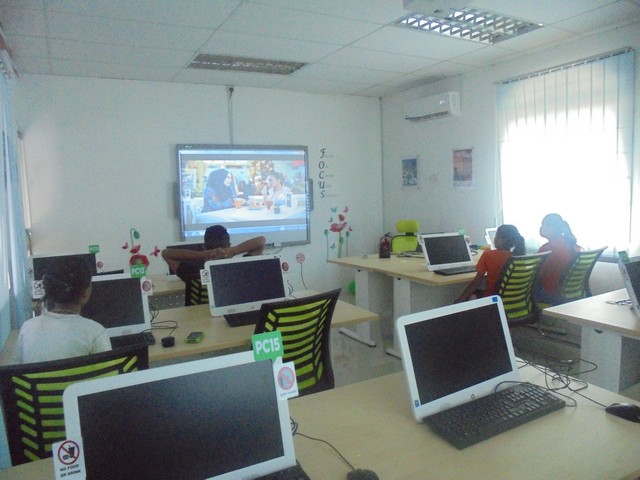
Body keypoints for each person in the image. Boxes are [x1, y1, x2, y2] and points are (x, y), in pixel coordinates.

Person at [15, 257, 112, 363]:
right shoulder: (96, 333)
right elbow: (109, 371)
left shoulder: (27, 328)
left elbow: (19, 368)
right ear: (86, 292)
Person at [161, 225, 266, 305]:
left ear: (204, 247)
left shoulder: (194, 273)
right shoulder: (243, 269)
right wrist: (233, 251)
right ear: (229, 245)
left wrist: (201, 254)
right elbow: (261, 241)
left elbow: (166, 253)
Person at [455, 224, 525, 303]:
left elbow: (476, 282)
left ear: (501, 240)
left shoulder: (488, 255)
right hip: (515, 300)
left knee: (473, 294)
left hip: (493, 299)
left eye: (496, 236)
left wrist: (460, 299)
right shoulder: (520, 257)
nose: (494, 239)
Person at [536, 213, 581, 304]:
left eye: (543, 225)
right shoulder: (574, 246)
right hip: (571, 293)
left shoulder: (547, 249)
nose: (541, 228)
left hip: (551, 294)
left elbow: (536, 275)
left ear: (551, 229)